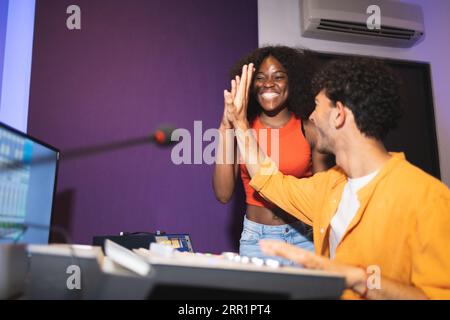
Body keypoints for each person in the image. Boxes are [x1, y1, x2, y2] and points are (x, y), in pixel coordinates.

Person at [224, 58, 450, 299]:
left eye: (317, 105)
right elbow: (268, 180)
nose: (311, 116)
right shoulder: (329, 187)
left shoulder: (428, 199)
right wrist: (239, 122)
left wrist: (358, 279)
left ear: (338, 114)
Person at [213, 46, 331, 262]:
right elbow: (223, 194)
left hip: (303, 238)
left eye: (278, 77)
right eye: (260, 77)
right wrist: (225, 127)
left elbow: (322, 199)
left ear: (292, 82)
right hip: (256, 240)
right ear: (251, 85)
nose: (268, 83)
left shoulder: (310, 130)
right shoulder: (242, 131)